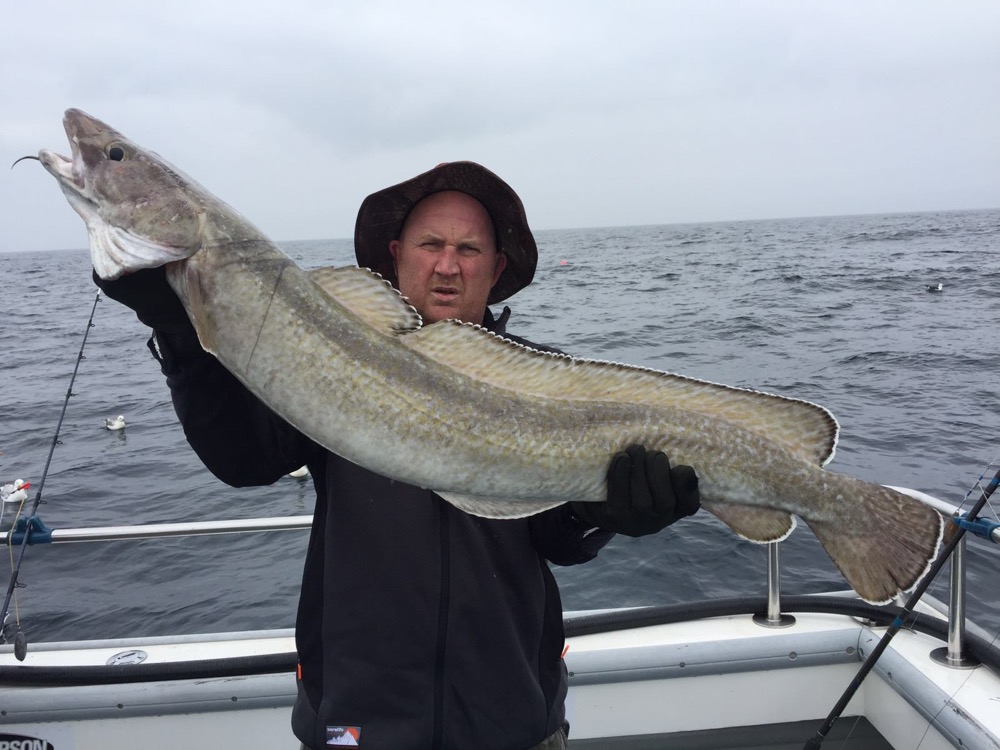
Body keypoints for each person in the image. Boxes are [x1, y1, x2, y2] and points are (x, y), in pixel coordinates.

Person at [95, 162, 701, 750]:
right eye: (430, 243)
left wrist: (605, 512)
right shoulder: (328, 360)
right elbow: (242, 459)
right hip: (356, 726)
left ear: (496, 269)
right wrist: (180, 334)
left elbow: (556, 537)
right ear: (396, 256)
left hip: (512, 724)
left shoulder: (546, 383)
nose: (447, 265)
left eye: (468, 249)